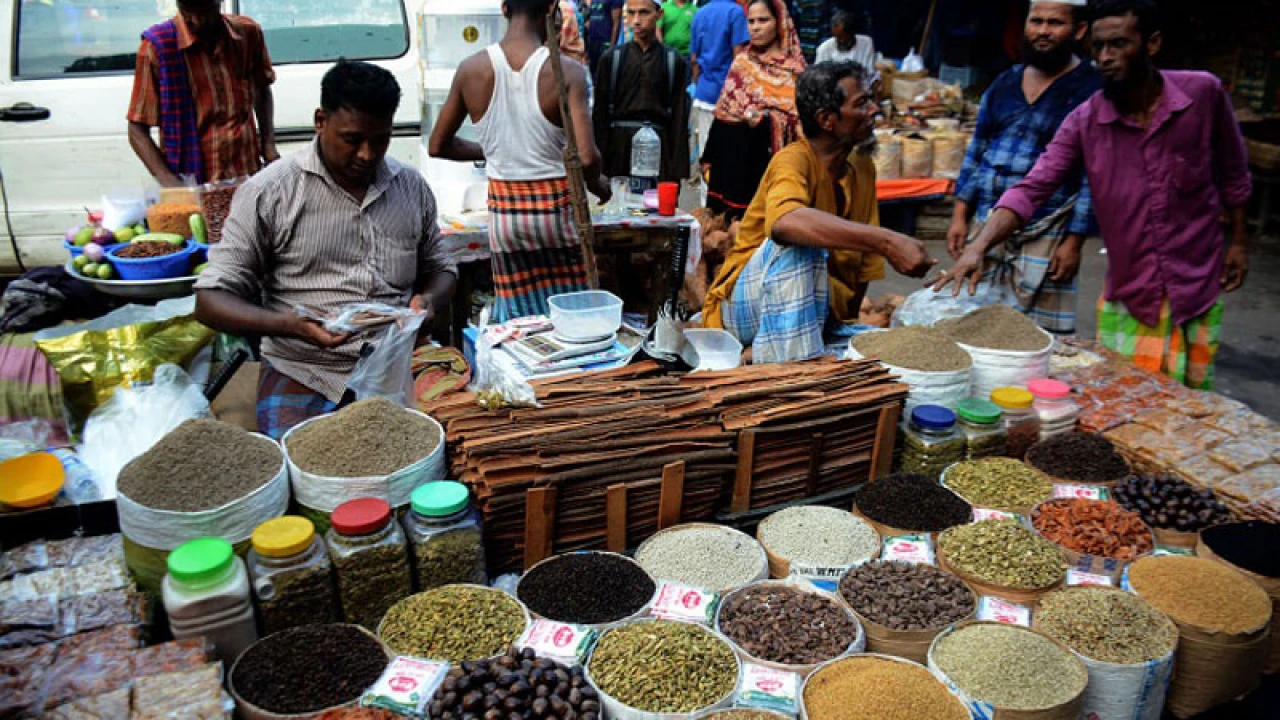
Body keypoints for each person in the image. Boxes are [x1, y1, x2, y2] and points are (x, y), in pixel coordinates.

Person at [933, 0, 1251, 390]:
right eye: (1098, 47)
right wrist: (977, 245)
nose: (1106, 58)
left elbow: (1233, 172)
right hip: (1131, 286)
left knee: (1194, 401)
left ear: (1151, 44)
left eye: (1119, 44)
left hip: (1197, 275)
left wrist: (1237, 242)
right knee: (1130, 396)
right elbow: (1032, 187)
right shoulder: (1086, 119)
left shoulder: (1203, 94)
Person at [193, 61, 457, 438]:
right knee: (311, 475)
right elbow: (209, 301)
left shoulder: (410, 186)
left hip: (398, 362)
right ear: (320, 120)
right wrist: (288, 325)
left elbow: (442, 267)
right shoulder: (270, 193)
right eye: (352, 139)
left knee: (450, 451)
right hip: (305, 369)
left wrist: (429, 300)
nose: (367, 154)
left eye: (380, 139)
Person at [703, 61, 935, 363]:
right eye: (862, 103)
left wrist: (846, 323)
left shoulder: (861, 166)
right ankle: (787, 375)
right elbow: (785, 223)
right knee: (801, 247)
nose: (875, 110)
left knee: (890, 347)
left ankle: (774, 356)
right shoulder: (792, 161)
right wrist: (887, 240)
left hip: (816, 311)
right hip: (747, 308)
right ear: (827, 119)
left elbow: (861, 270)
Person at [429, 0, 611, 324]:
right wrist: (601, 186)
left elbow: (438, 145)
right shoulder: (568, 71)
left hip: (506, 213)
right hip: (556, 209)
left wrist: (496, 150)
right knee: (571, 315)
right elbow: (586, 157)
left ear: (503, 8)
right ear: (552, 7)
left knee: (519, 318)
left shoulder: (471, 69)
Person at [947, 0, 1100, 335]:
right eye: (1036, 21)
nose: (1043, 31)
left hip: (1048, 225)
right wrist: (960, 214)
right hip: (987, 219)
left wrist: (1073, 241)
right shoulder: (1004, 83)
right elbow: (977, 151)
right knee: (978, 326)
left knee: (1037, 336)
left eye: (1055, 23)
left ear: (1079, 30)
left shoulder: (1091, 89)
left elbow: (1092, 174)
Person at [127, 0, 277, 185]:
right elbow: (136, 130)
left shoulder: (248, 34)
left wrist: (268, 145)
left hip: (247, 175)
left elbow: (261, 88)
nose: (196, 21)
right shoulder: (157, 48)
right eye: (187, 12)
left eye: (205, 12)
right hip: (194, 182)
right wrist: (172, 184)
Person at [701, 0, 806, 219]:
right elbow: (723, 114)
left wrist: (768, 119)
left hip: (770, 171)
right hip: (732, 171)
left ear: (780, 23)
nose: (755, 27)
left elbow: (802, 124)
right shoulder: (742, 63)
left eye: (763, 20)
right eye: (751, 21)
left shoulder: (795, 72)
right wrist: (708, 160)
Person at [594, 0, 692, 184]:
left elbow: (679, 119)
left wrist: (675, 173)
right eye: (631, 13)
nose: (636, 20)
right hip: (618, 151)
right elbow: (600, 116)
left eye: (644, 13)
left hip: (658, 150)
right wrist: (597, 169)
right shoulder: (611, 59)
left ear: (659, 14)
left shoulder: (673, 61)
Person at [688, 0, 749, 176]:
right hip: (729, 95)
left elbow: (694, 58)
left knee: (706, 156)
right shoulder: (735, 12)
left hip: (705, 92)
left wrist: (699, 84)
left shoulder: (700, 13)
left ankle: (706, 200)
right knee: (729, 156)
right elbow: (739, 58)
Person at [815, 9, 878, 86]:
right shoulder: (824, 49)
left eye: (841, 36)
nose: (838, 41)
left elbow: (869, 74)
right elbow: (818, 78)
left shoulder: (866, 43)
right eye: (835, 36)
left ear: (852, 32)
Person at [586, 0, 625, 71]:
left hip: (605, 43)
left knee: (604, 73)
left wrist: (611, 48)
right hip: (592, 43)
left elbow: (616, 23)